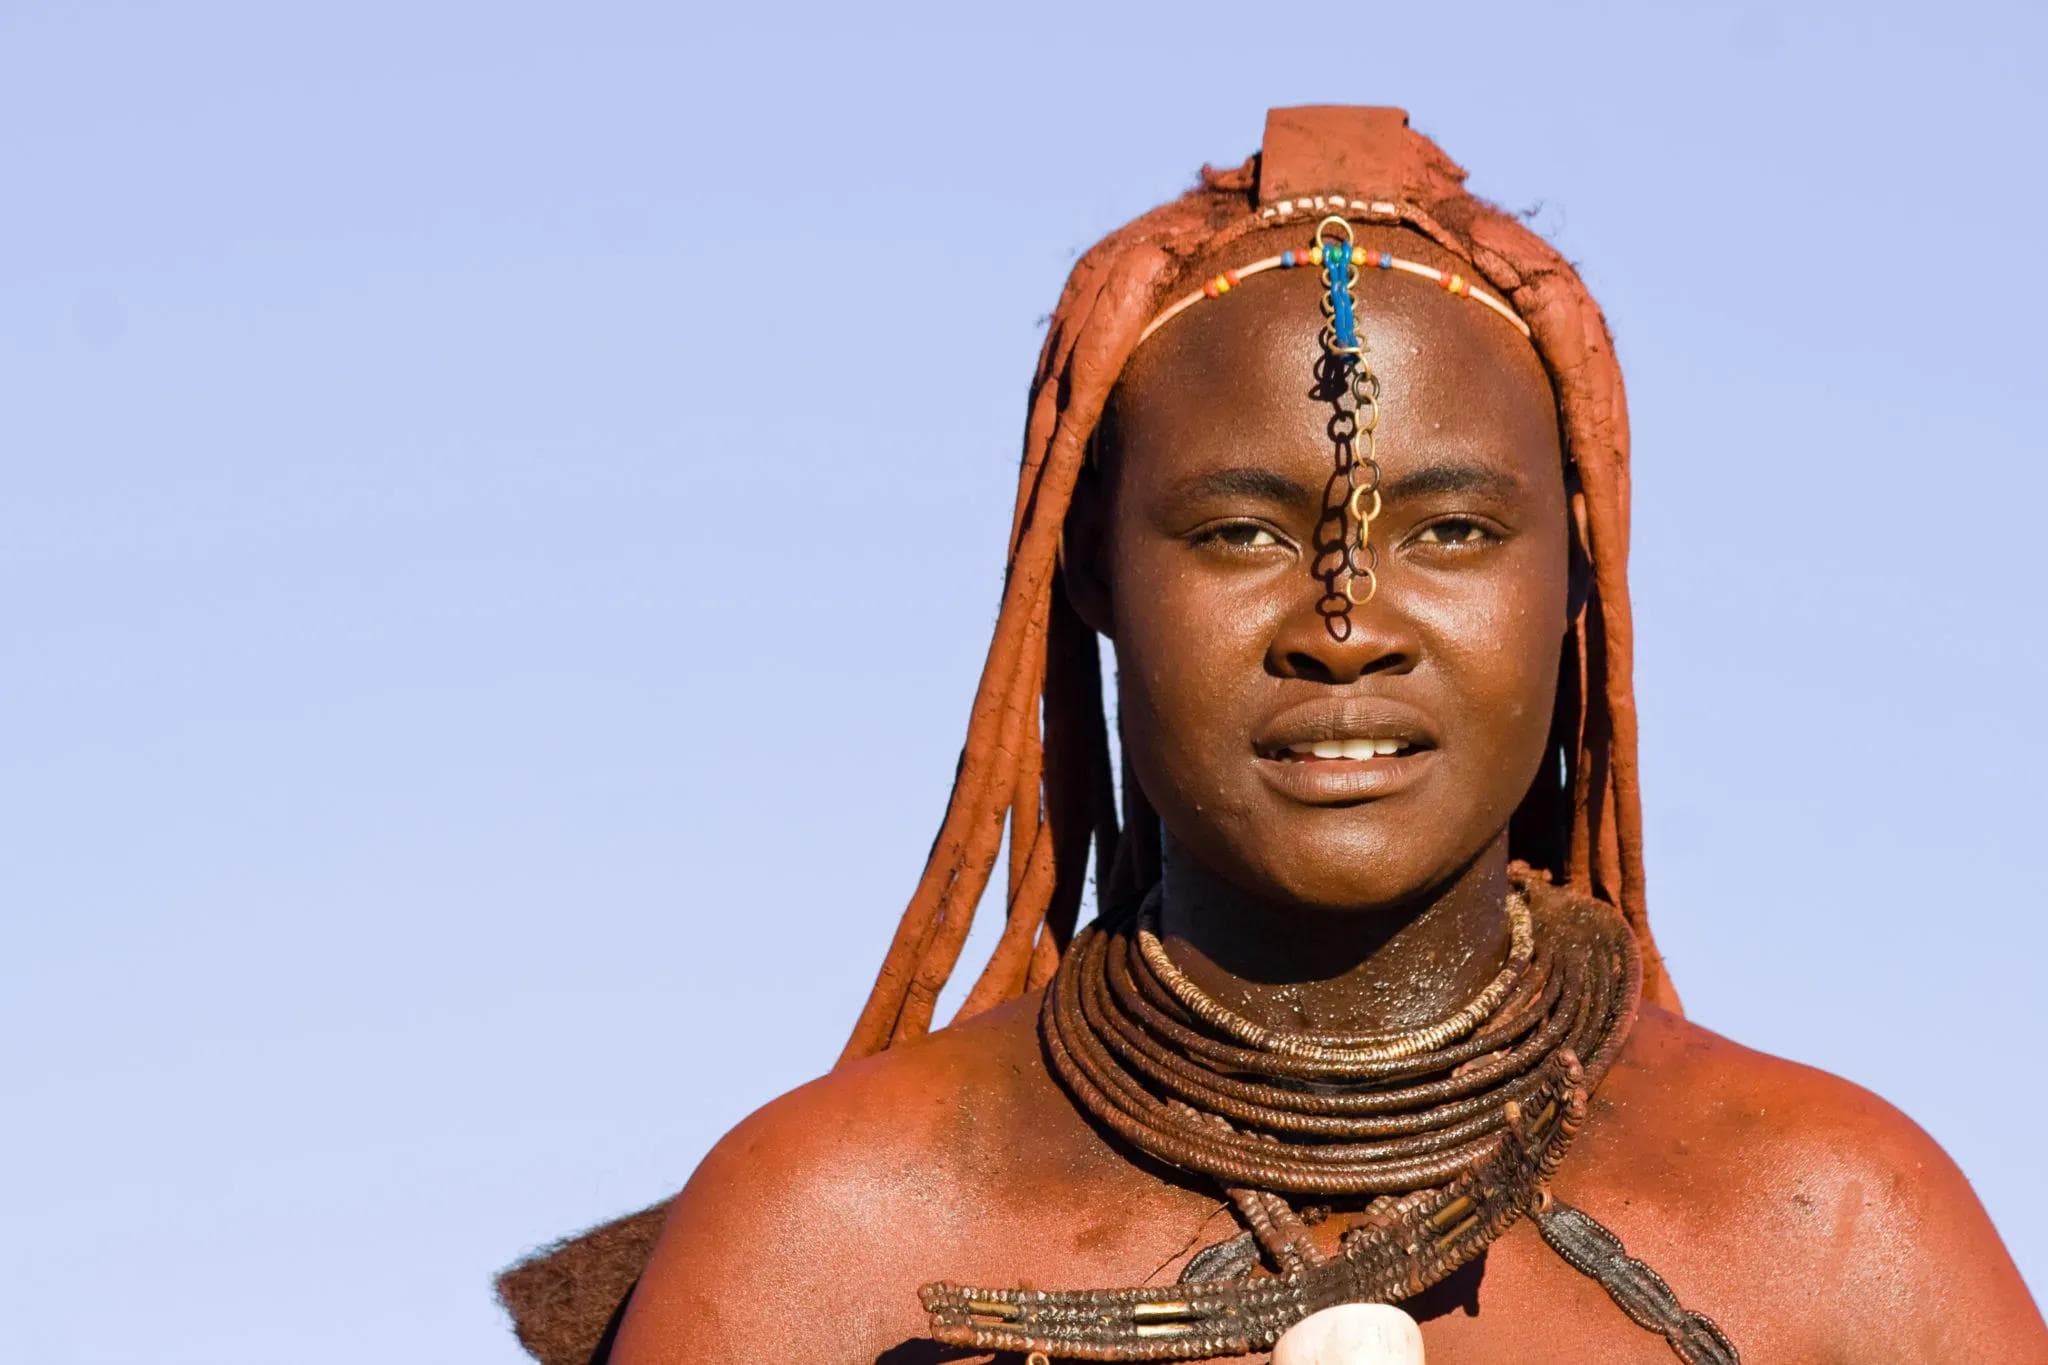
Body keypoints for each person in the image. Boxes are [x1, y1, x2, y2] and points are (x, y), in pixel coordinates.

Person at [497, 107, 2045, 1364]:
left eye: (1449, 530)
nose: (1347, 622)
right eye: (1239, 531)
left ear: (1574, 576)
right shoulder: (830, 1243)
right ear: (1093, 569)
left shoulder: (1838, 1233)